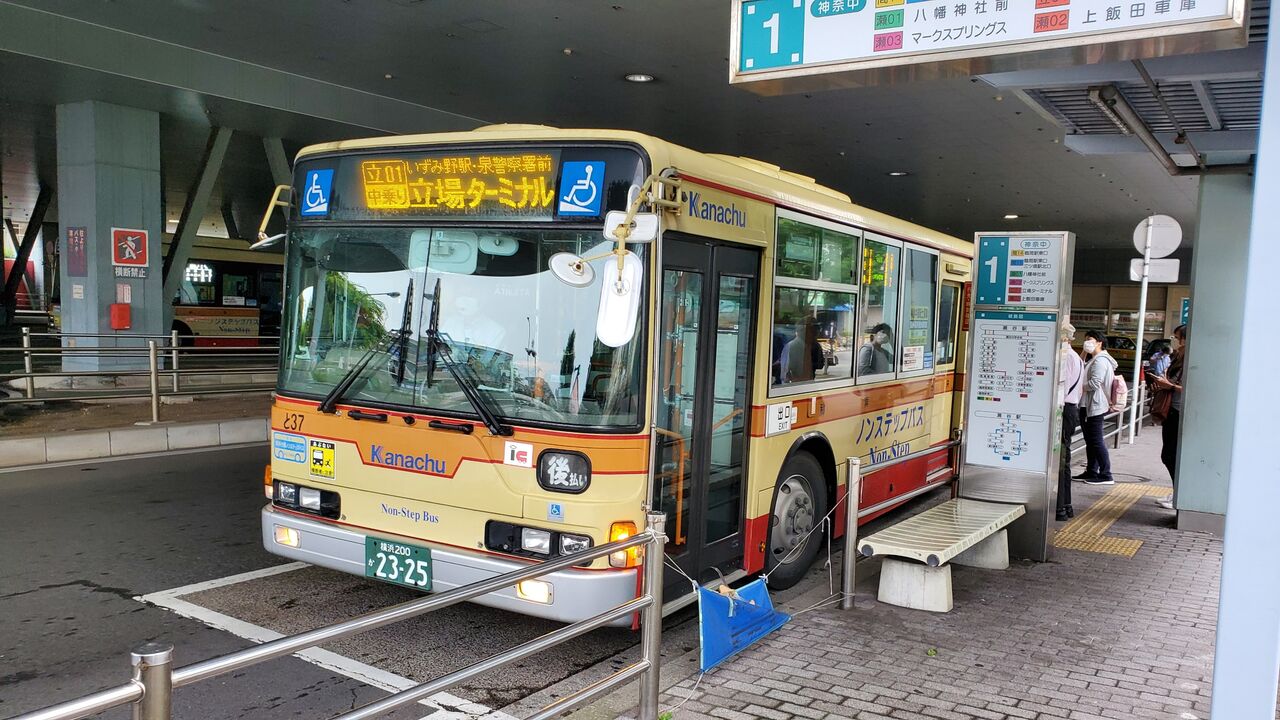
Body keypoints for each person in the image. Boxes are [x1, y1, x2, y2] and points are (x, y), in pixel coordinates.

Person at [1151, 324, 1187, 509]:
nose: (1174, 340)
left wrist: (1169, 386)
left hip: (1179, 410)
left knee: (1170, 455)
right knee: (1169, 454)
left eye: (1177, 337)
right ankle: (1177, 491)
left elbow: (1191, 388)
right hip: (1172, 409)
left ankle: (1180, 493)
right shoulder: (1178, 356)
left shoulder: (1190, 357)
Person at [1075, 330, 1117, 485]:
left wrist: (1079, 387)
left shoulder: (1100, 361)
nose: (1087, 342)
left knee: (1096, 440)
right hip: (1089, 404)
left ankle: (1106, 474)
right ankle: (1091, 471)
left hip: (1095, 405)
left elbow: (1094, 383)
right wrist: (1084, 353)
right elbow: (1078, 367)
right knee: (1091, 440)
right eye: (1085, 339)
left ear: (1099, 342)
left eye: (1090, 339)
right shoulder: (1094, 359)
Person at [1057, 322, 1085, 520]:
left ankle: (1061, 507)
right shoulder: (1076, 356)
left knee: (1061, 461)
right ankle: (1065, 506)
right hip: (1071, 409)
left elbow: (1061, 390)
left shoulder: (1066, 358)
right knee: (1063, 460)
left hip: (1064, 409)